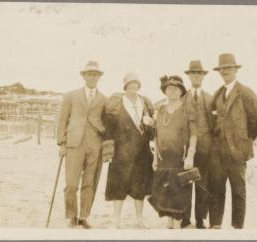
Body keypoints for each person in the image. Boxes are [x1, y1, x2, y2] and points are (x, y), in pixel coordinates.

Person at [208, 53, 257, 229]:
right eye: (222, 69)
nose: (225, 72)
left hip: (237, 152)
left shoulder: (246, 92)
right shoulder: (217, 94)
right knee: (216, 190)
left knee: (238, 192)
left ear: (235, 70)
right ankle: (215, 225)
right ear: (219, 72)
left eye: (229, 68)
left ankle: (237, 228)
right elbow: (211, 121)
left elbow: (256, 123)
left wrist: (243, 142)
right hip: (217, 153)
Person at [57, 61, 110, 229]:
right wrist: (62, 143)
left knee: (90, 182)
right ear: (84, 76)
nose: (92, 77)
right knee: (71, 183)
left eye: (95, 74)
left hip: (95, 145)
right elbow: (62, 120)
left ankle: (83, 216)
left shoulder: (104, 99)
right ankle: (71, 215)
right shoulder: (70, 95)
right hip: (74, 144)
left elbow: (107, 123)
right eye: (89, 74)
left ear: (99, 77)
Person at [104, 72, 155, 229]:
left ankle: (139, 219)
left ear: (139, 86)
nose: (133, 86)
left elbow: (152, 127)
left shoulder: (145, 102)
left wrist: (152, 124)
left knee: (140, 187)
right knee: (118, 186)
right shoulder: (117, 102)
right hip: (121, 152)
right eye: (130, 84)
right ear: (125, 86)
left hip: (142, 152)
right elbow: (108, 128)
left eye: (136, 84)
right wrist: (109, 151)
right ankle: (116, 220)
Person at [149, 75, 197, 229]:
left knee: (179, 195)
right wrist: (155, 158)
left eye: (176, 89)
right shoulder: (161, 109)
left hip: (180, 159)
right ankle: (169, 226)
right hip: (163, 160)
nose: (172, 92)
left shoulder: (186, 109)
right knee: (165, 194)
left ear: (181, 92)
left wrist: (190, 155)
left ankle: (177, 226)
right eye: (169, 89)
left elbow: (194, 134)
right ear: (165, 92)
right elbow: (156, 136)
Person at [181, 60, 213, 229]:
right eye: (193, 73)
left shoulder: (210, 98)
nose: (196, 76)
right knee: (185, 183)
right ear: (189, 76)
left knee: (203, 184)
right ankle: (185, 219)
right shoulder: (182, 97)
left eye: (199, 73)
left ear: (203, 76)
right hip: (185, 149)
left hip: (205, 149)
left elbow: (215, 125)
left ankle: (200, 219)